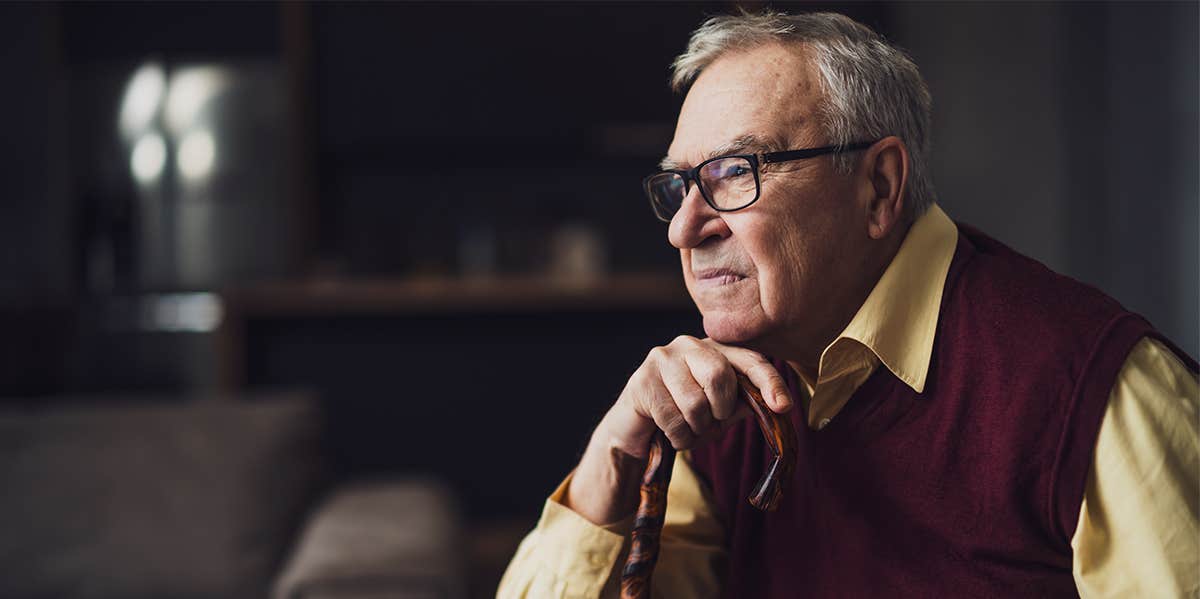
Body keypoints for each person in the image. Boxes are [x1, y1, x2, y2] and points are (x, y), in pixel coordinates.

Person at [498, 10, 1198, 598]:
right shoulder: (724, 404)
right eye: (681, 184)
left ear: (879, 187)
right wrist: (614, 452)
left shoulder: (1099, 392)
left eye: (734, 173)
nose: (685, 227)